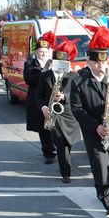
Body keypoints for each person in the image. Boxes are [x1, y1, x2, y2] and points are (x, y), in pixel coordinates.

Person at [70, 25, 109, 215]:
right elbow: (77, 109)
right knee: (100, 165)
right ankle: (107, 198)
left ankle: (106, 190)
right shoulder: (78, 80)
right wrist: (95, 126)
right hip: (94, 130)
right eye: (97, 63)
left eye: (103, 63)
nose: (101, 67)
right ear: (89, 61)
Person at [35, 38, 82, 183]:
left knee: (67, 144)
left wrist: (64, 96)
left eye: (63, 64)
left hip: (69, 116)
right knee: (61, 144)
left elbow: (78, 95)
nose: (60, 67)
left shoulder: (74, 76)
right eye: (57, 64)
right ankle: (65, 173)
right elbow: (38, 95)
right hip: (53, 116)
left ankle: (65, 164)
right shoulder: (45, 76)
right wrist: (43, 107)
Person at [24, 32, 57, 163]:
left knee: (55, 126)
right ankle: (48, 153)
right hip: (37, 100)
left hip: (52, 99)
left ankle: (57, 148)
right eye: (40, 51)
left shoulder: (54, 63)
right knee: (42, 128)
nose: (43, 54)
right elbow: (29, 80)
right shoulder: (30, 64)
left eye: (45, 51)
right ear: (36, 52)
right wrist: (43, 73)